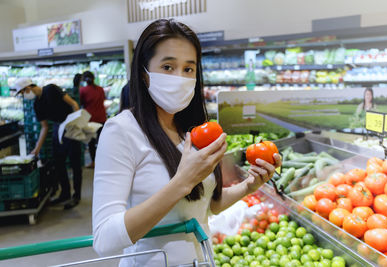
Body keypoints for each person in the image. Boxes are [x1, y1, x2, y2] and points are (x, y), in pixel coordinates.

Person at [92, 19, 281, 266]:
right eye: (168, 67)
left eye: (188, 69)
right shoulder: (121, 131)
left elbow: (204, 207)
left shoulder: (191, 130)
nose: (179, 77)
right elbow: (104, 239)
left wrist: (248, 186)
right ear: (144, 73)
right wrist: (181, 182)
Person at [14, 78, 83, 209]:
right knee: (58, 162)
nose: (24, 96)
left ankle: (77, 195)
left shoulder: (51, 89)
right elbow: (44, 127)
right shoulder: (37, 105)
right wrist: (37, 149)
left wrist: (76, 124)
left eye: (23, 93)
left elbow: (73, 104)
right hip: (58, 128)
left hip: (71, 125)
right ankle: (65, 193)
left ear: (28, 88)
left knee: (75, 163)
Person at [79, 71, 107, 168]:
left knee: (91, 143)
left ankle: (94, 162)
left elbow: (81, 103)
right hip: (102, 118)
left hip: (90, 120)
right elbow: (103, 99)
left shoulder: (83, 90)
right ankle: (105, 161)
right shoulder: (100, 89)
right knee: (102, 141)